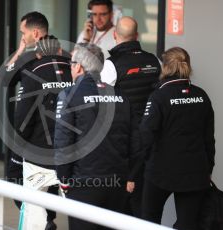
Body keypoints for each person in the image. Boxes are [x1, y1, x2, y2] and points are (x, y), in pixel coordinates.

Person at [54, 43, 140, 230]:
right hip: (117, 182)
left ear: (79, 66)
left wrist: (64, 179)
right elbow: (134, 141)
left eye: (71, 63)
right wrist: (130, 176)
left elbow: (63, 142)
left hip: (83, 182)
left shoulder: (69, 95)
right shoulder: (121, 95)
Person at [140, 47, 215, 229]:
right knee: (187, 223)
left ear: (165, 68)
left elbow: (146, 135)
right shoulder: (201, 95)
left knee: (149, 219)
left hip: (161, 171)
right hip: (195, 171)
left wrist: (138, 167)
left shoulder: (159, 96)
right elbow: (208, 138)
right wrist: (208, 168)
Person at [101, 16, 161, 217]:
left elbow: (100, 103)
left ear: (115, 35)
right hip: (151, 139)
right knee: (143, 201)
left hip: (122, 142)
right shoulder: (155, 61)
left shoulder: (110, 65)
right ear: (136, 36)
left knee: (120, 202)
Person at [14, 35, 72, 230]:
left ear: (38, 54)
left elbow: (23, 118)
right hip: (71, 155)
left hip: (38, 156)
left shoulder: (32, 74)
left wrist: (20, 148)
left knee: (33, 209)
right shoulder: (75, 70)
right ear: (59, 51)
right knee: (81, 210)